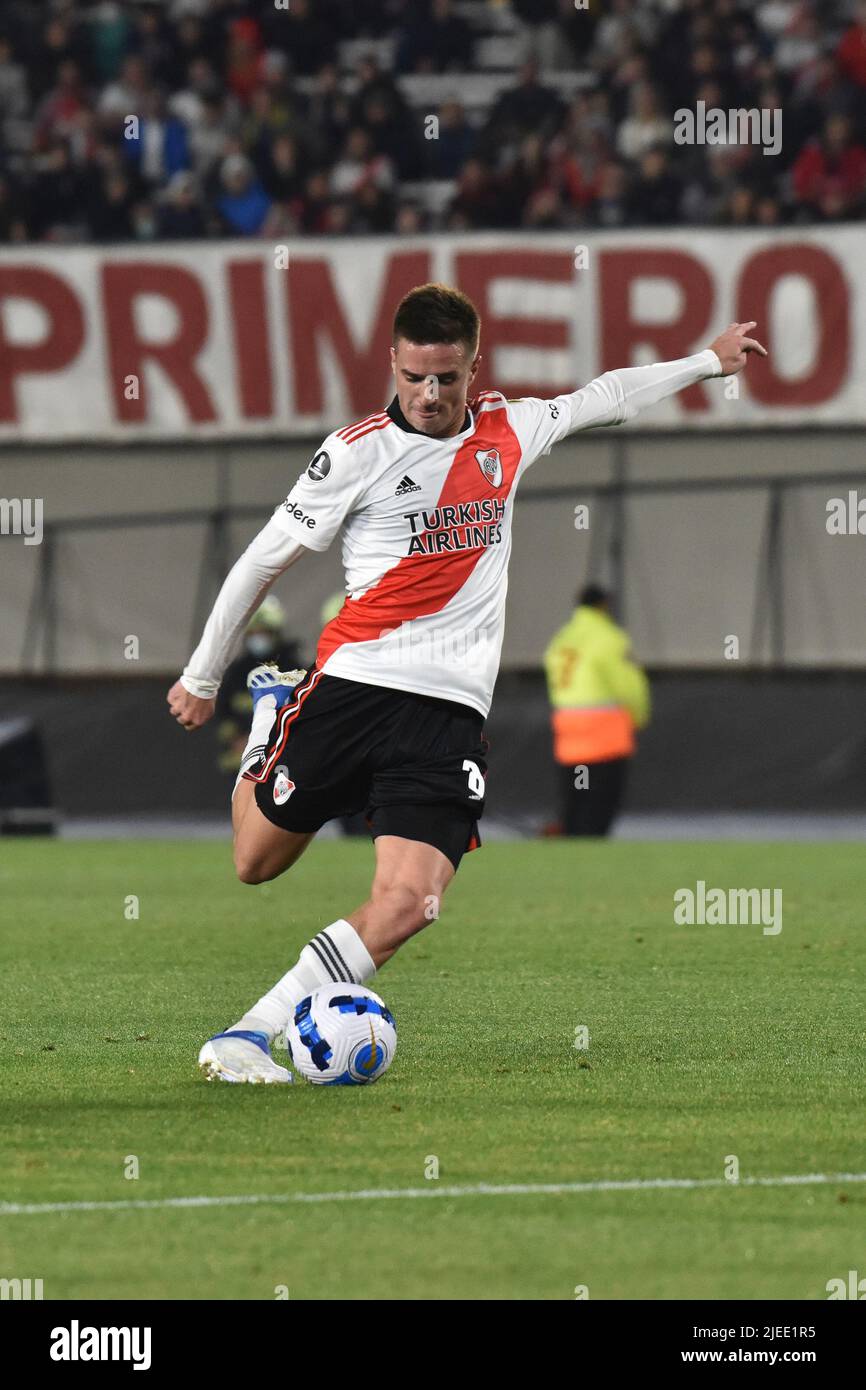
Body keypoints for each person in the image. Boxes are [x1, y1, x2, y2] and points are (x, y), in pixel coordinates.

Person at [165, 284, 766, 1083]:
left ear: (473, 368)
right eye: (416, 376)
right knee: (256, 862)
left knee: (411, 904)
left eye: (448, 377)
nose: (431, 394)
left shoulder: (510, 429)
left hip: (449, 714)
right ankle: (273, 718)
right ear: (393, 363)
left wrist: (706, 363)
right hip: (356, 688)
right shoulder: (355, 452)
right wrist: (204, 675)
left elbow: (605, 396)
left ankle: (247, 1034)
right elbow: (261, 562)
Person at [543, 585, 649, 836]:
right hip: (604, 731)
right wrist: (639, 715)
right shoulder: (609, 637)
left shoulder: (562, 638)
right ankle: (590, 845)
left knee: (575, 796)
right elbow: (628, 684)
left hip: (568, 728)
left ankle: (570, 840)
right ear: (604, 605)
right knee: (601, 802)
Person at [214, 597, 304, 778]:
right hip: (240, 761)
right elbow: (223, 712)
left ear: (275, 633)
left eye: (264, 633)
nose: (258, 638)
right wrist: (237, 739)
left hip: (283, 759)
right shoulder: (236, 672)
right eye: (253, 633)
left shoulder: (293, 669)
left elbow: (301, 712)